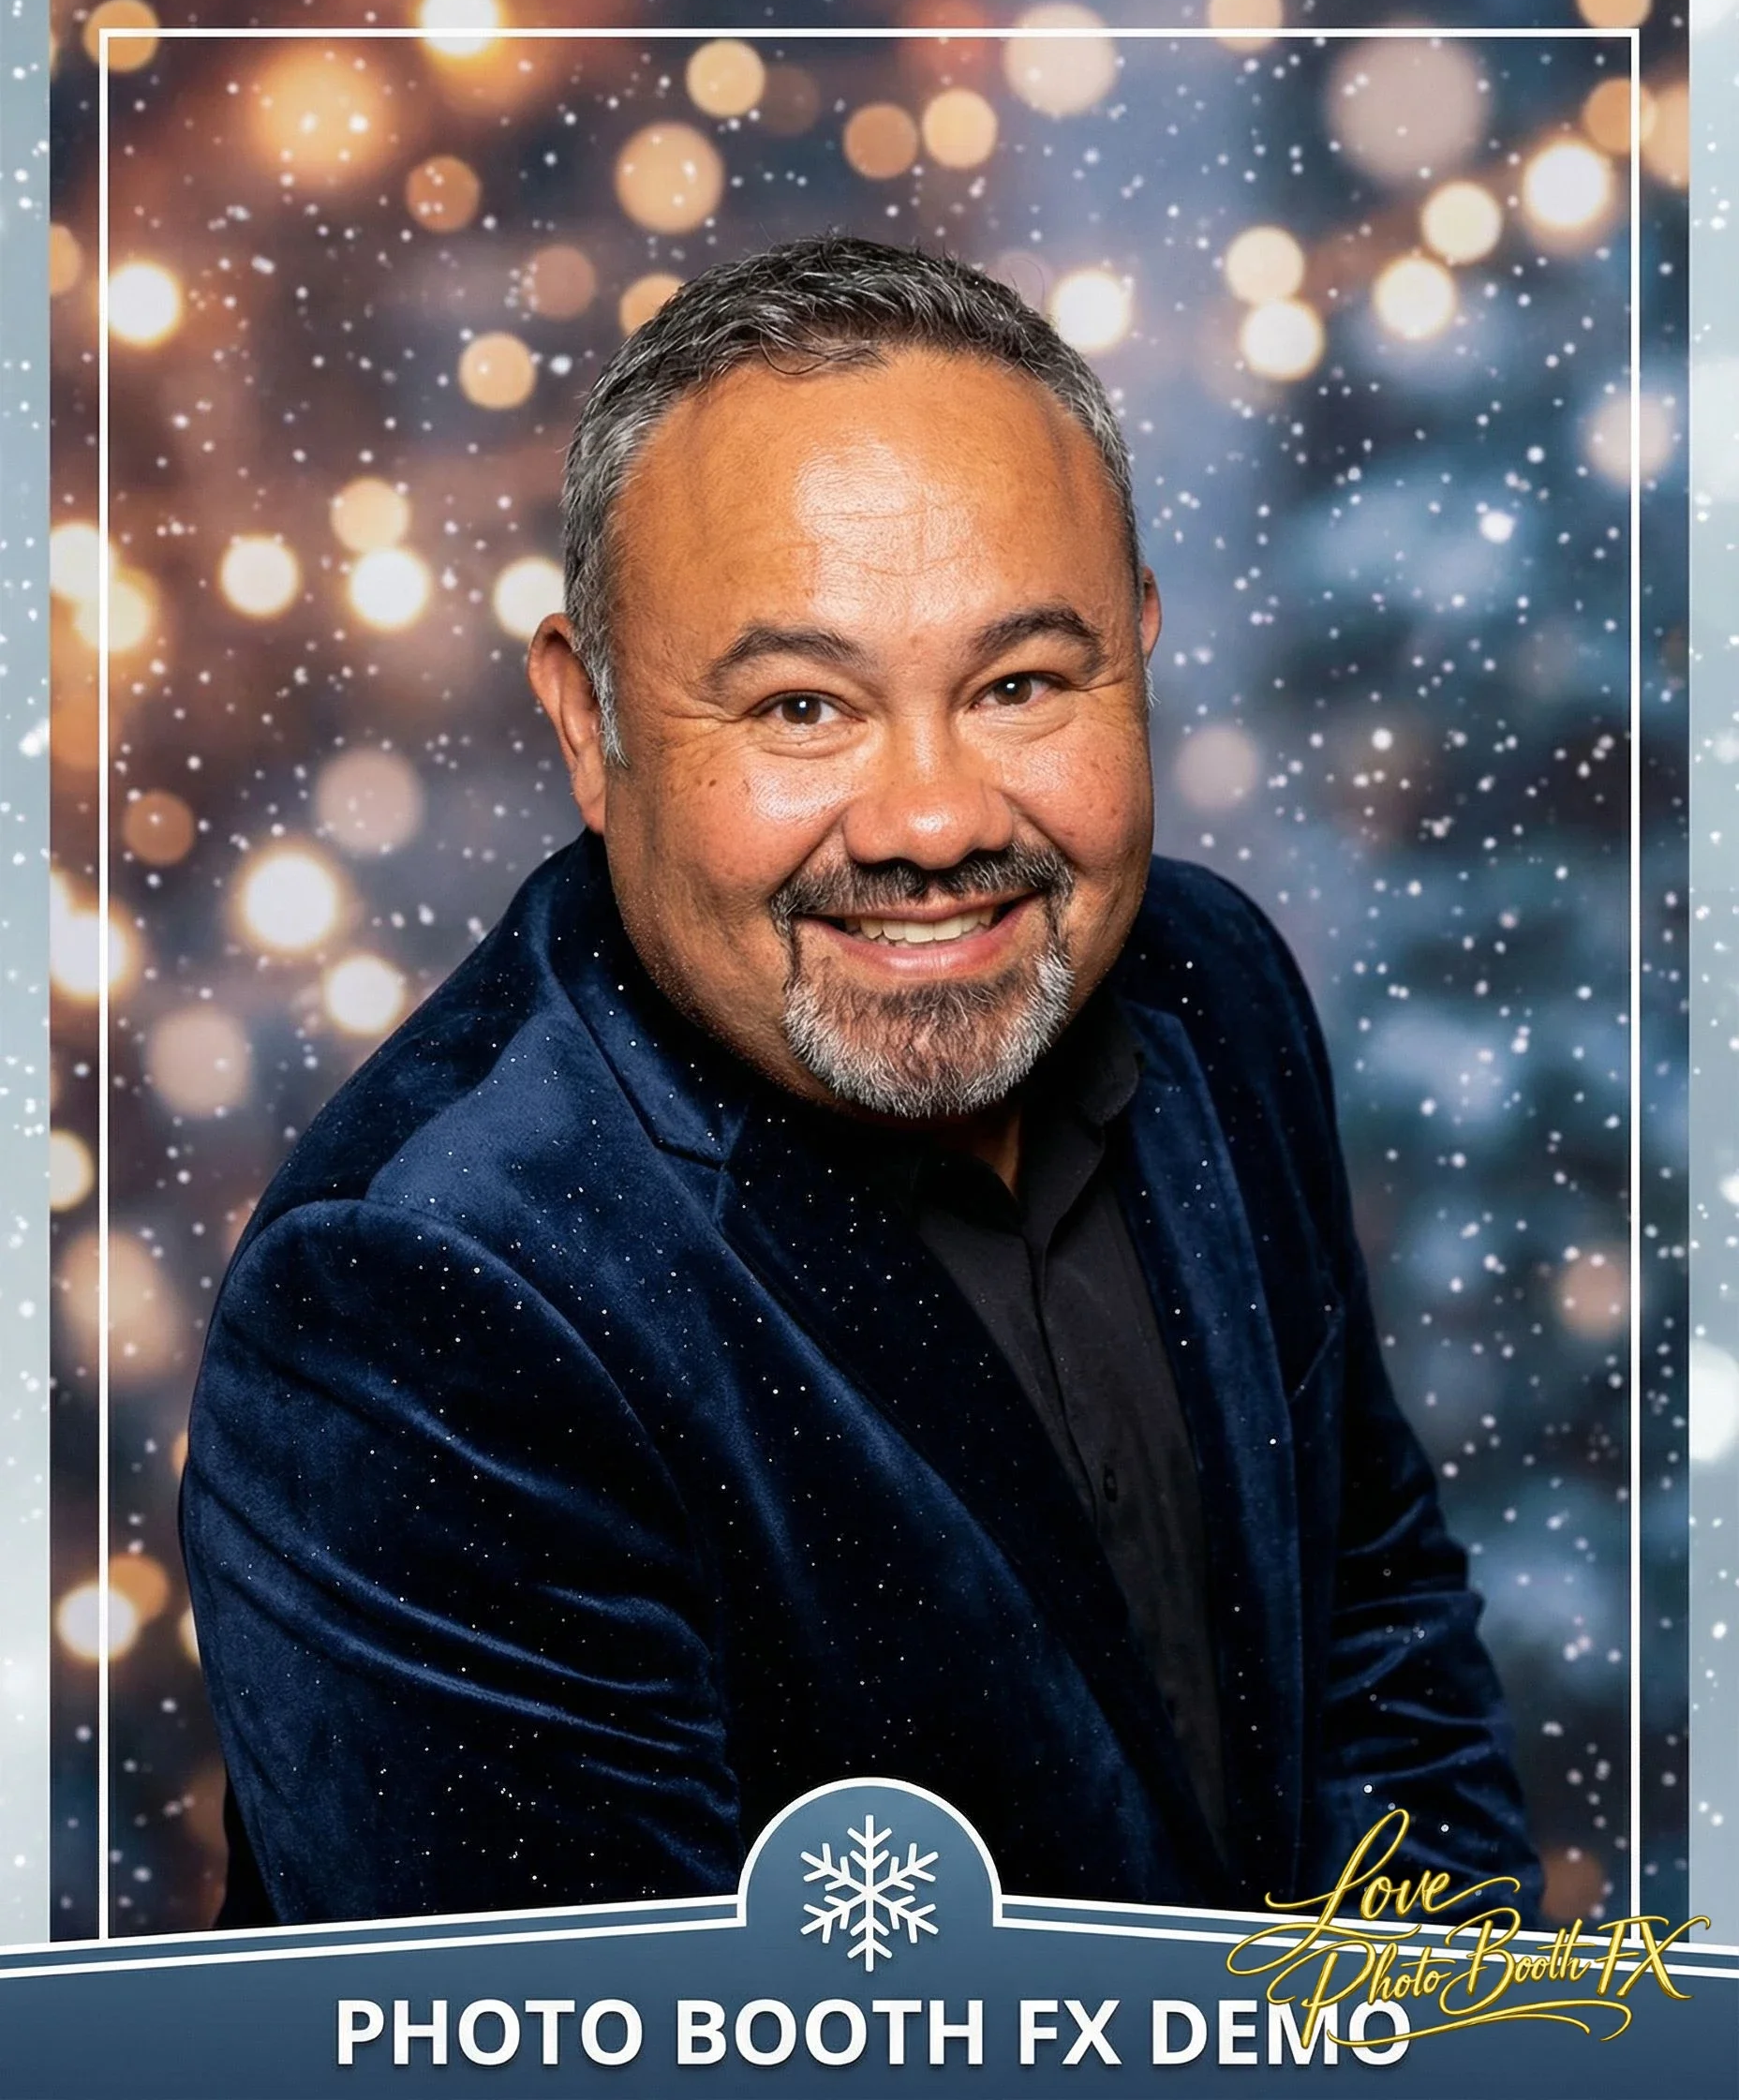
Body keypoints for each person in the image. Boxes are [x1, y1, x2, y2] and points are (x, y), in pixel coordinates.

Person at [181, 233, 1540, 1929]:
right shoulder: (418, 1300)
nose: (934, 822)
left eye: (1023, 685)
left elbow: (1371, 1633)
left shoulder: (1212, 981)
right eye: (803, 705)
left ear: (1140, 649)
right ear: (586, 729)